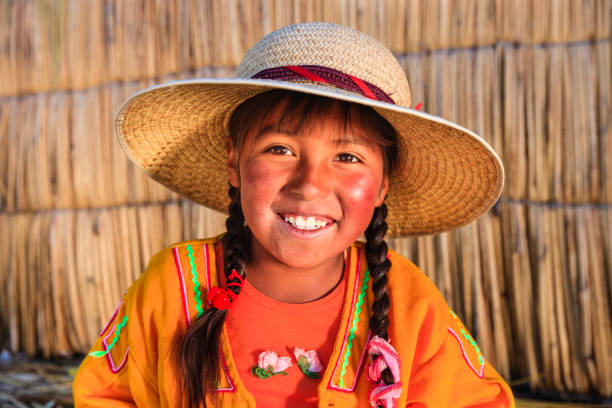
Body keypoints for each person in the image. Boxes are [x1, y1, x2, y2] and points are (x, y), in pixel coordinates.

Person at [72, 22, 515, 407]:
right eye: (279, 149)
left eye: (347, 156)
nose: (309, 184)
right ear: (234, 161)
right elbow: (106, 396)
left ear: (382, 184)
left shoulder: (407, 302)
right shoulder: (173, 287)